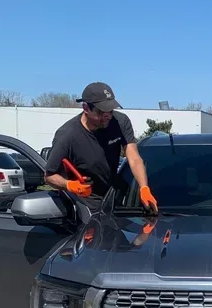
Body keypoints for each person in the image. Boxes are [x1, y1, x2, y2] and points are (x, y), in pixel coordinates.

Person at [44, 82, 157, 213]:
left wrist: (144, 187)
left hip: (114, 199)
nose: (107, 116)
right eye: (101, 112)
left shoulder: (120, 122)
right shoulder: (67, 136)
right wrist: (69, 185)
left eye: (110, 111)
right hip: (85, 204)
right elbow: (49, 176)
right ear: (86, 108)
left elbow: (134, 158)